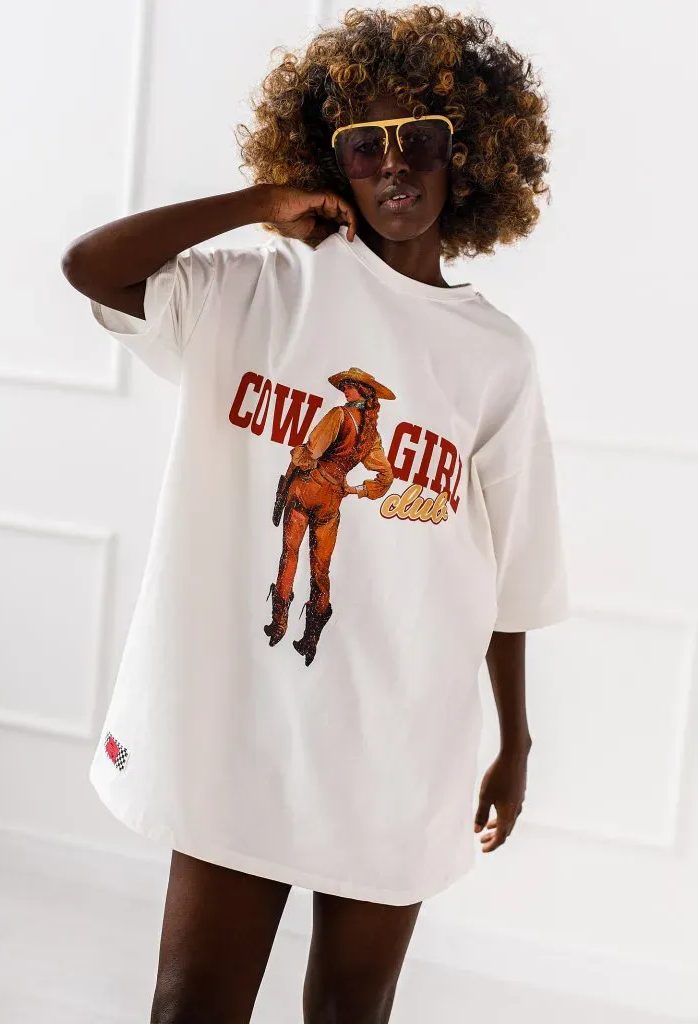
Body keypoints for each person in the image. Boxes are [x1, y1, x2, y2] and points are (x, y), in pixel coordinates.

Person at [60, 5, 569, 1022]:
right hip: (241, 725)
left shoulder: (494, 357)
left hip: (398, 737)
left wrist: (515, 742)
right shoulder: (255, 293)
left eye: (420, 138)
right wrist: (262, 204)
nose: (394, 164)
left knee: (350, 1010)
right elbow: (91, 266)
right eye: (363, 145)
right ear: (328, 163)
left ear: (468, 154)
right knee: (191, 1005)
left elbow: (512, 574)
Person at [265, 368, 395, 665]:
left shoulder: (339, 415)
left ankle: (279, 623)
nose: (345, 390)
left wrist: (298, 457)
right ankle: (311, 639)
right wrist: (356, 490)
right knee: (320, 569)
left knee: (290, 554)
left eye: (350, 386)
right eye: (345, 386)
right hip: (332, 499)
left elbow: (311, 452)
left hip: (308, 490)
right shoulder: (371, 435)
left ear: (363, 391)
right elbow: (385, 477)